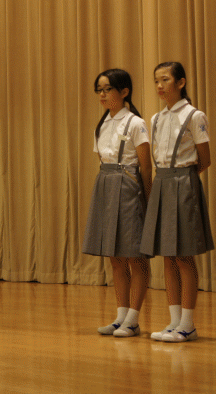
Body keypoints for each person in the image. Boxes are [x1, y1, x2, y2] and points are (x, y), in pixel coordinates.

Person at [141, 62, 213, 343]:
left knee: (184, 256)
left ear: (180, 82)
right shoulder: (157, 119)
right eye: (156, 81)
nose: (159, 86)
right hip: (162, 182)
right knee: (167, 256)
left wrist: (184, 180)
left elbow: (205, 159)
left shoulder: (194, 115)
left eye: (165, 80)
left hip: (184, 182)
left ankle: (188, 324)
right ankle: (173, 321)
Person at [82, 68, 153, 337]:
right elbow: (102, 159)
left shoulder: (135, 123)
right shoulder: (101, 125)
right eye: (99, 90)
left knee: (135, 255)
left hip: (129, 186)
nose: (102, 94)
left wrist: (147, 198)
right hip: (106, 184)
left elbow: (146, 166)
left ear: (124, 91)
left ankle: (133, 319)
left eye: (107, 89)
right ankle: (121, 316)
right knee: (114, 256)